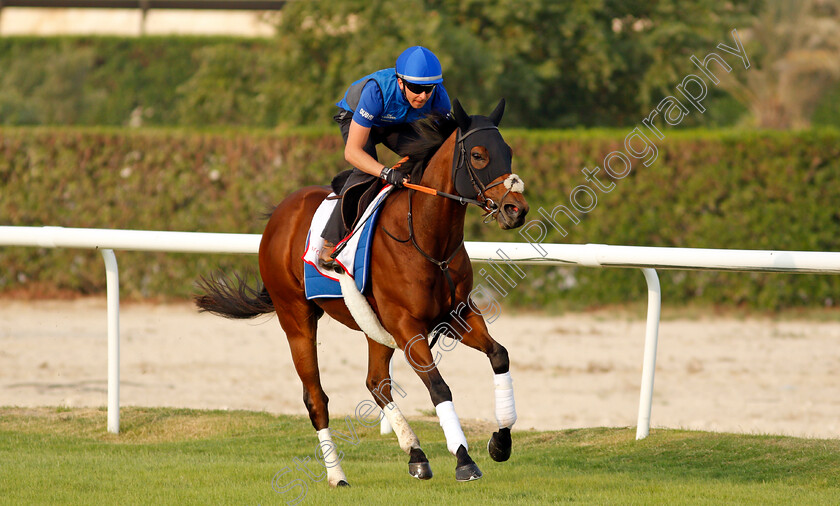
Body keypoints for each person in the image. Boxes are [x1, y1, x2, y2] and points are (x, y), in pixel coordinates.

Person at [319, 46, 452, 269]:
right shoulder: (376, 91)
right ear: (400, 82)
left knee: (429, 158)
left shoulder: (439, 97)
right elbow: (352, 152)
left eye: (428, 89)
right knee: (365, 172)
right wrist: (386, 172)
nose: (423, 96)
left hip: (394, 123)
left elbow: (444, 148)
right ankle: (330, 242)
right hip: (357, 119)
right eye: (416, 88)